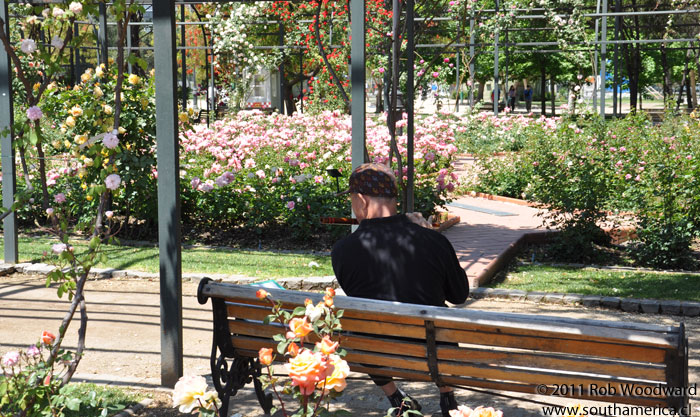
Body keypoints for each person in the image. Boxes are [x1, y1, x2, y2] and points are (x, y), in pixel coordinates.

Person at [331, 163, 469, 417]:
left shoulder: (342, 251)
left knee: (362, 323)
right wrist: (432, 239)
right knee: (440, 317)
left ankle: (394, 395)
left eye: (351, 200)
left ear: (361, 200)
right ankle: (447, 395)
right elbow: (459, 295)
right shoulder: (433, 241)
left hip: (379, 349)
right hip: (434, 353)